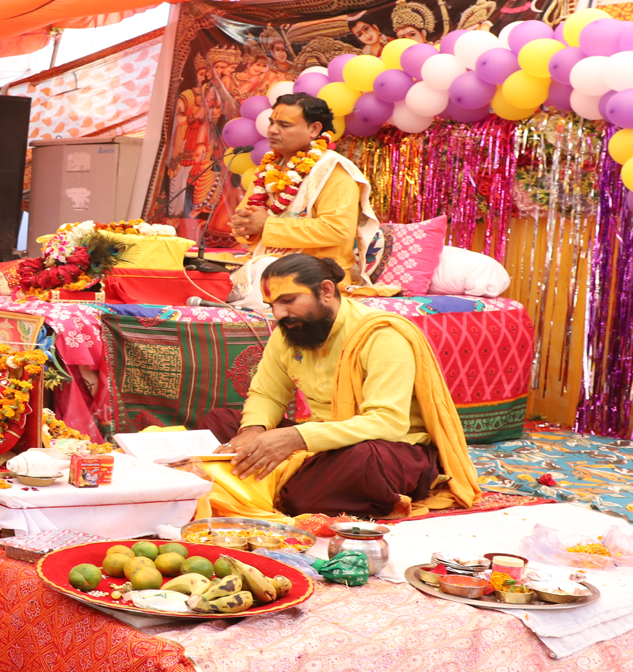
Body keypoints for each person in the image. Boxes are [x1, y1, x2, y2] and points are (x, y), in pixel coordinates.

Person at [199, 254, 480, 518]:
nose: (279, 314)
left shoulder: (382, 335)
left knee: (359, 463)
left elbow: (387, 423)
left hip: (388, 447)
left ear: (326, 290)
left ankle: (274, 484)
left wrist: (296, 438)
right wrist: (253, 431)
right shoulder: (290, 332)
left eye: (288, 300)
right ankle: (285, 481)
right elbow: (267, 394)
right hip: (322, 445)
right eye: (272, 305)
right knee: (220, 421)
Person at [229, 93, 381, 298]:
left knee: (258, 272)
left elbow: (337, 230)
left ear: (314, 129)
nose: (272, 130)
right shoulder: (270, 167)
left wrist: (266, 225)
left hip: (318, 277)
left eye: (284, 125)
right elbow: (247, 224)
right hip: (263, 265)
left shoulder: (334, 170)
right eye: (272, 122)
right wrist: (243, 224)